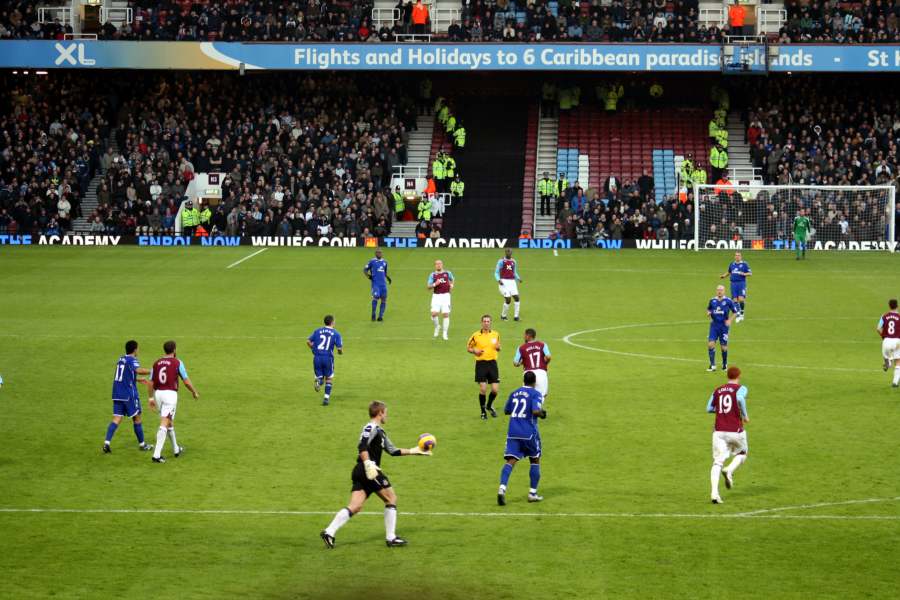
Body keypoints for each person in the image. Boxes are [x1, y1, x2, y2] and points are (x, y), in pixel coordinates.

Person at [320, 401, 431, 549]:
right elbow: (362, 446)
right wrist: (368, 464)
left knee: (355, 506)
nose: (386, 415)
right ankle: (391, 538)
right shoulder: (370, 427)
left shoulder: (380, 432)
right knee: (391, 498)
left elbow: (393, 451)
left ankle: (329, 532)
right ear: (380, 413)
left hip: (362, 471)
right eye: (385, 412)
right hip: (369, 471)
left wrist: (415, 450)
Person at [497, 371, 546, 506]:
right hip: (529, 432)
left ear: (523, 381)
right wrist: (542, 414)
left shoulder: (514, 393)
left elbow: (507, 410)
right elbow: (535, 411)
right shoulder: (536, 394)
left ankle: (502, 489)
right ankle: (532, 493)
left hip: (513, 432)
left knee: (511, 461)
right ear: (534, 382)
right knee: (535, 459)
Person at [147, 340, 199, 464]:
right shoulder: (177, 362)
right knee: (165, 422)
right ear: (174, 350)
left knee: (169, 421)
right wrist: (194, 391)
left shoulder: (157, 363)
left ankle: (176, 449)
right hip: (170, 395)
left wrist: (150, 398)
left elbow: (150, 382)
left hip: (158, 394)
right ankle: (156, 455)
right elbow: (186, 381)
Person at [707, 366, 749, 504]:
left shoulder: (717, 390)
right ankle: (729, 470)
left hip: (718, 431)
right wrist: (744, 415)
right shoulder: (741, 388)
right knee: (742, 452)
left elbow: (709, 408)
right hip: (735, 430)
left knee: (717, 461)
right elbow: (740, 399)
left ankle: (714, 494)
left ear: (727, 377)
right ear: (738, 376)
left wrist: (721, 412)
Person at [102, 340, 154, 454]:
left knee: (116, 418)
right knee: (137, 417)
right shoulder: (132, 360)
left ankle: (106, 443)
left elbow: (123, 375)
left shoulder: (121, 359)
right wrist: (152, 371)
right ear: (135, 349)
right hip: (128, 394)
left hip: (117, 393)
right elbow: (138, 370)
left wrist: (136, 379)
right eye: (138, 348)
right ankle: (142, 445)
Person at [467, 314, 502, 420]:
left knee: (495, 390)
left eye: (488, 321)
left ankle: (489, 405)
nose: (486, 323)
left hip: (492, 364)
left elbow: (498, 347)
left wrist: (499, 348)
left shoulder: (496, 334)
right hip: (481, 364)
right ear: (481, 323)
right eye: (484, 321)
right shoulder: (476, 335)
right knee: (483, 388)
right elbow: (468, 347)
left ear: (490, 322)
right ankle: (483, 411)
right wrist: (474, 351)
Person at [307, 315, 344, 406]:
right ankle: (326, 399)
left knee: (320, 376)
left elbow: (308, 341)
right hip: (328, 358)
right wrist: (340, 352)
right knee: (329, 378)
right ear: (332, 322)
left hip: (317, 357)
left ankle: (319, 381)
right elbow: (339, 348)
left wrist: (313, 348)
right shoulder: (336, 333)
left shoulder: (317, 331)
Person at [707, 285, 738, 372]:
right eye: (718, 290)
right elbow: (709, 309)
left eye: (721, 290)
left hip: (724, 326)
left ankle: (724, 364)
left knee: (723, 347)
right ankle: (713, 365)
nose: (719, 291)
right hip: (714, 325)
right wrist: (709, 314)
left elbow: (735, 312)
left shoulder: (728, 301)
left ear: (724, 291)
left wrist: (730, 321)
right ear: (716, 291)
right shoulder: (712, 300)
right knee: (710, 344)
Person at [513, 328, 551, 400]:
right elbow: (548, 356)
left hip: (528, 374)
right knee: (542, 396)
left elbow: (515, 363)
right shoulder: (543, 344)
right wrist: (545, 363)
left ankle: (529, 410)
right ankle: (537, 409)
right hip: (541, 373)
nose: (523, 336)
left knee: (527, 396)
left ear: (528, 336)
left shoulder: (521, 347)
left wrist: (521, 363)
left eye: (524, 335)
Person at [720, 251, 751, 322]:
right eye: (736, 255)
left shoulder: (744, 264)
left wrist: (743, 274)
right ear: (734, 256)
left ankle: (742, 314)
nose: (737, 257)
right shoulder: (732, 264)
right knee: (734, 300)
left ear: (741, 257)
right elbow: (729, 272)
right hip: (733, 284)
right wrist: (724, 276)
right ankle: (738, 314)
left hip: (741, 283)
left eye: (738, 255)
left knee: (741, 299)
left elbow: (750, 273)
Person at [427, 259, 454, 340]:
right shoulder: (433, 275)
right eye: (437, 264)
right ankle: (437, 327)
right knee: (434, 314)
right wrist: (435, 284)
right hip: (436, 296)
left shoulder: (447, 273)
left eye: (440, 264)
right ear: (435, 266)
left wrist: (452, 285)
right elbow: (428, 287)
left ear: (442, 265)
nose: (438, 265)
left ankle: (445, 333)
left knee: (445, 314)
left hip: (446, 296)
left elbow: (452, 279)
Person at [364, 249, 392, 322]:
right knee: (376, 297)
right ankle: (373, 314)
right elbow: (365, 270)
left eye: (380, 253)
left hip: (383, 285)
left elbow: (384, 272)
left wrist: (388, 278)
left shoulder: (385, 262)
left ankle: (380, 316)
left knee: (384, 299)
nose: (379, 254)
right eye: (378, 252)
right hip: (375, 284)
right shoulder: (372, 261)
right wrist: (369, 276)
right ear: (375, 253)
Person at [877, 299, 900, 386]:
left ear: (889, 306)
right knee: (898, 361)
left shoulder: (884, 316)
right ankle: (895, 382)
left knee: (886, 355)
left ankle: (888, 361)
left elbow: (878, 328)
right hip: (897, 341)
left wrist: (883, 336)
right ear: (897, 306)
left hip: (886, 341)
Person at [494, 248, 522, 321]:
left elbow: (514, 272)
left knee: (517, 298)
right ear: (505, 253)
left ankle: (516, 316)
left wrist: (518, 278)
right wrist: (498, 280)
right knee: (508, 299)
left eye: (510, 252)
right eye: (507, 252)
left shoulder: (513, 261)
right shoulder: (501, 261)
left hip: (512, 282)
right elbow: (496, 272)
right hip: (504, 282)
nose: (509, 253)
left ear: (511, 253)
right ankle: (503, 316)